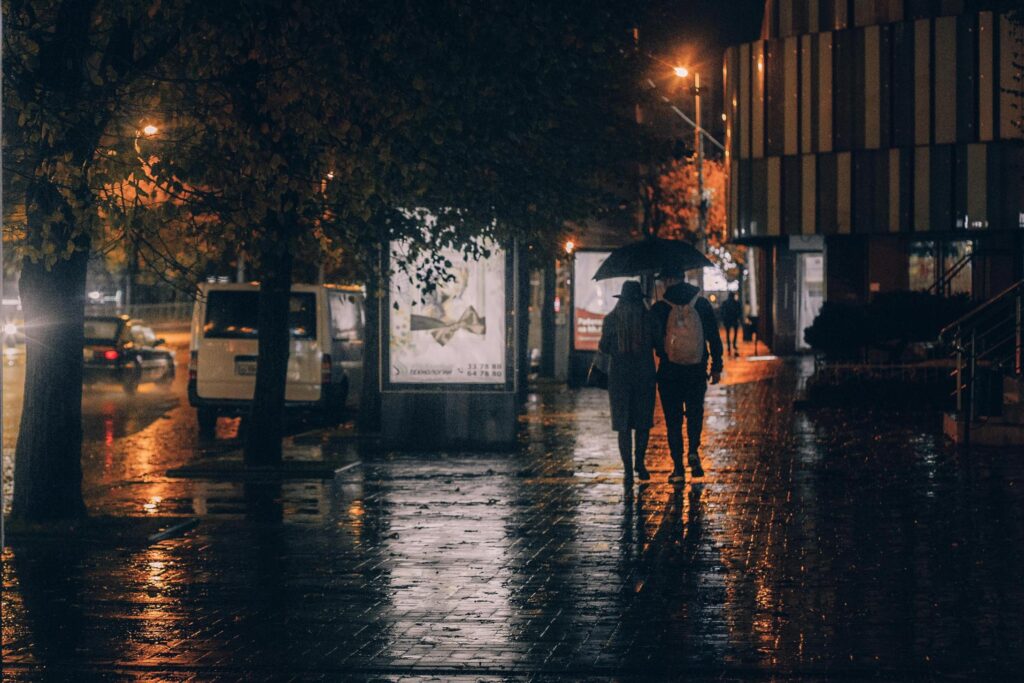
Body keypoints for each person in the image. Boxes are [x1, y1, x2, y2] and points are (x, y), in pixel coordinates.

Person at [651, 265, 724, 484]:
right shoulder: (701, 303)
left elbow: (654, 342)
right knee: (694, 412)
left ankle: (678, 468)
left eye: (664, 280)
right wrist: (716, 366)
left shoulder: (660, 308)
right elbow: (713, 337)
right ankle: (693, 450)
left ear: (670, 280)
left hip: (669, 373)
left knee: (673, 420)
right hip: (696, 370)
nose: (663, 284)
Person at [599, 280, 657, 484]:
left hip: (619, 379)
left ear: (621, 299)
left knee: (623, 425)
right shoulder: (648, 318)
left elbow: (604, 347)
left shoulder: (611, 319)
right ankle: (640, 464)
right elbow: (659, 344)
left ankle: (626, 470)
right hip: (644, 377)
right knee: (642, 423)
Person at [720, 292, 742, 357]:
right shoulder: (736, 303)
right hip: (734, 320)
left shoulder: (725, 303)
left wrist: (723, 319)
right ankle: (734, 344)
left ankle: (729, 346)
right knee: (735, 333)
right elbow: (739, 311)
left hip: (727, 320)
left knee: (727, 334)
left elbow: (722, 312)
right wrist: (738, 318)